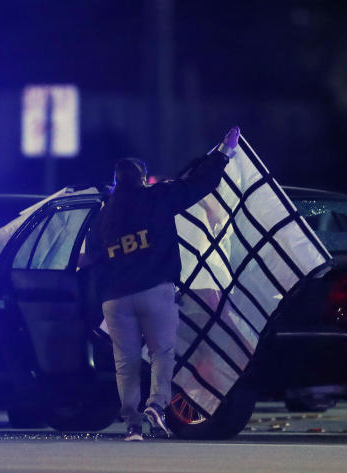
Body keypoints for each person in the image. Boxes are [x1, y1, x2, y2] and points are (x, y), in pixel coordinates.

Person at [85, 126, 240, 441]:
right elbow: (198, 184)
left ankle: (131, 423)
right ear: (143, 178)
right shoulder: (156, 198)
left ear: (115, 182)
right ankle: (156, 406)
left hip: (116, 299)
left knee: (125, 362)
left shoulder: (103, 216)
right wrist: (224, 152)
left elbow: (90, 259)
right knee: (161, 353)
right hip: (155, 291)